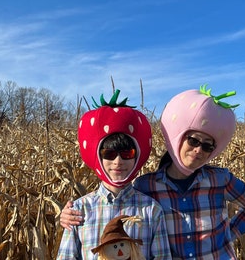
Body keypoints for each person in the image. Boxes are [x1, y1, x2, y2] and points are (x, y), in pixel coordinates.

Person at [60, 85, 245, 259]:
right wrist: (66, 215)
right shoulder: (146, 187)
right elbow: (116, 205)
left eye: (207, 146)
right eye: (193, 140)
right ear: (179, 138)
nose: (198, 150)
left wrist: (228, 234)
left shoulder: (220, 179)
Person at [56, 90, 172, 260]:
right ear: (98, 156)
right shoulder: (79, 211)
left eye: (127, 153)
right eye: (109, 153)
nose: (118, 161)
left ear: (137, 156)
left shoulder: (151, 211)